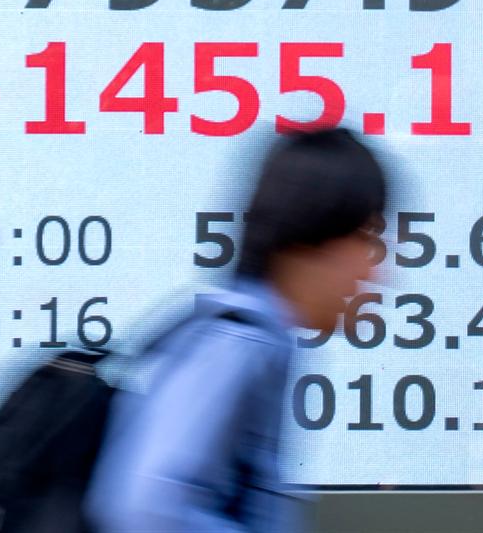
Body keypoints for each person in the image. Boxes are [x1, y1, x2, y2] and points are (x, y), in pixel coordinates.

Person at [86, 128, 386, 533]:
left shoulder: (258, 338)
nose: (374, 271)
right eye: (364, 239)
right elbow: (146, 507)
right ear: (312, 236)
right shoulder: (240, 342)